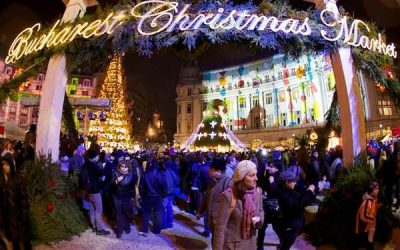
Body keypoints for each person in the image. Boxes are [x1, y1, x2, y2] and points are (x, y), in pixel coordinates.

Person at [213, 160, 264, 250]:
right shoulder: (228, 196)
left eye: (256, 175)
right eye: (251, 175)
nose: (256, 178)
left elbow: (260, 210)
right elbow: (220, 228)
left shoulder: (257, 192)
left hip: (251, 243)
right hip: (232, 245)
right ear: (241, 177)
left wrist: (259, 220)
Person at [276, 171, 316, 250]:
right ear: (287, 182)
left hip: (291, 225)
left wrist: (309, 191)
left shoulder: (288, 191)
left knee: (285, 245)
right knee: (286, 246)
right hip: (289, 226)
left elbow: (300, 198)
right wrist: (310, 191)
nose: (295, 183)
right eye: (293, 181)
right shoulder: (284, 194)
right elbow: (298, 204)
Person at [0, 157, 31, 250]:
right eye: (3, 165)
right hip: (8, 217)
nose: (5, 167)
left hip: (18, 217)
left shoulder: (18, 180)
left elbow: (24, 200)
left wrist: (24, 217)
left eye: (7, 165)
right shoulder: (2, 180)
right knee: (14, 241)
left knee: (25, 242)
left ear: (11, 166)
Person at [197, 158, 231, 240]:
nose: (208, 171)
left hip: (220, 222)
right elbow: (206, 198)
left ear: (218, 171)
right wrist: (200, 211)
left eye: (211, 169)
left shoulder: (228, 183)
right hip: (212, 220)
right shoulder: (213, 181)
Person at [79, 149, 110, 235]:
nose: (98, 157)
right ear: (93, 157)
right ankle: (99, 229)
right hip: (95, 190)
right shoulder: (94, 166)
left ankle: (93, 226)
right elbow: (102, 174)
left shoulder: (84, 165)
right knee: (99, 210)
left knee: (92, 208)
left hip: (88, 190)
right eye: (97, 155)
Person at [139, 158, 167, 236]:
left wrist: (142, 195)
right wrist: (163, 195)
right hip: (157, 197)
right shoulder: (161, 174)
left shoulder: (145, 174)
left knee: (145, 213)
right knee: (157, 213)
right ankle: (157, 230)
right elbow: (164, 187)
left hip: (147, 196)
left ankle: (145, 230)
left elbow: (141, 186)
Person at [111, 159, 138, 238]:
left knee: (126, 213)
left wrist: (133, 197)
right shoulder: (115, 173)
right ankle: (119, 231)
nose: (124, 168)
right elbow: (111, 186)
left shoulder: (132, 175)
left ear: (128, 167)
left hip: (127, 197)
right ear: (119, 167)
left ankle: (127, 227)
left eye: (125, 167)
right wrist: (116, 181)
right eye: (122, 167)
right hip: (117, 197)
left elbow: (133, 187)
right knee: (118, 213)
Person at [355, 181, 379, 250]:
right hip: (366, 228)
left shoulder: (372, 200)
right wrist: (373, 220)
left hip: (369, 227)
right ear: (371, 190)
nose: (378, 190)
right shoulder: (368, 201)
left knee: (369, 243)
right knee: (369, 244)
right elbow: (364, 215)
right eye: (376, 189)